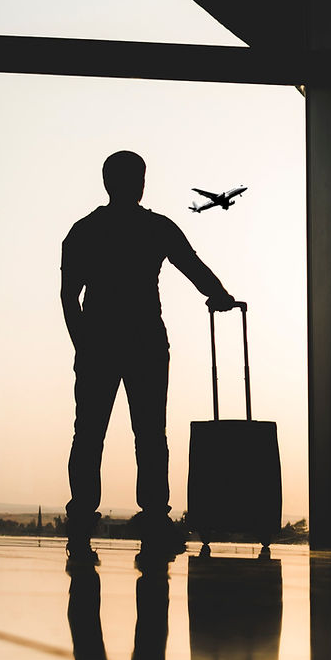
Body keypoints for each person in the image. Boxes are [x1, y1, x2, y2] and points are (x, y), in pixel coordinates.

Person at [61, 150, 236, 565]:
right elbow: (190, 265)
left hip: (99, 342)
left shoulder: (85, 231)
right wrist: (220, 295)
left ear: (106, 183)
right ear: (140, 183)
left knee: (88, 435)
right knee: (151, 435)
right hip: (145, 342)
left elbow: (70, 296)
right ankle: (155, 518)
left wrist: (82, 344)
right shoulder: (155, 227)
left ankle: (82, 518)